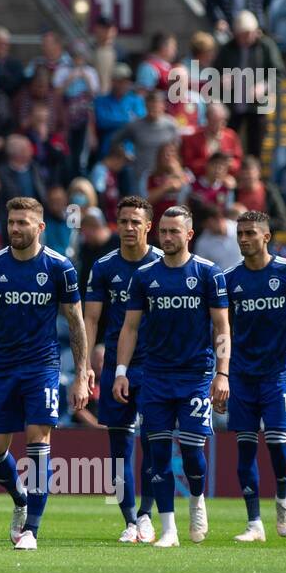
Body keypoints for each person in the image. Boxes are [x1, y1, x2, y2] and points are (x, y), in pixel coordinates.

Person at [0, 197, 90, 551]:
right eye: (11, 222)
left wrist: (80, 374)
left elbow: (76, 323)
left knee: (37, 439)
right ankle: (19, 497)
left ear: (40, 227)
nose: (15, 228)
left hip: (42, 366)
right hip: (0, 368)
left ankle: (31, 529)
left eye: (23, 223)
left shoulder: (60, 267)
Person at [113, 206, 229, 547]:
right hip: (155, 377)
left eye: (173, 231)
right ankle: (168, 530)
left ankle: (196, 499)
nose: (166, 237)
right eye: (162, 231)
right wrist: (121, 371)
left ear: (189, 234)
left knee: (193, 452)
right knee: (157, 454)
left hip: (195, 375)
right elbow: (129, 328)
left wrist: (222, 373)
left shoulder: (209, 273)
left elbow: (222, 327)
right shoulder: (145, 276)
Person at [224, 211, 286, 543]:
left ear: (266, 236)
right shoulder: (229, 278)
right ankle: (253, 523)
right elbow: (223, 329)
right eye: (240, 233)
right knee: (244, 448)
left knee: (277, 443)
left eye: (250, 232)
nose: (244, 238)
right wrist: (220, 373)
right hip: (242, 375)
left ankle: (282, 496)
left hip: (277, 373)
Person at [82, 197, 163, 544]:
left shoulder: (164, 263)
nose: (129, 228)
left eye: (136, 222)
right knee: (118, 449)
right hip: (117, 365)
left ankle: (147, 514)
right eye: (124, 221)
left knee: (153, 442)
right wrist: (84, 364)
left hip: (158, 365)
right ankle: (130, 520)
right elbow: (91, 318)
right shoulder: (103, 267)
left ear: (148, 226)